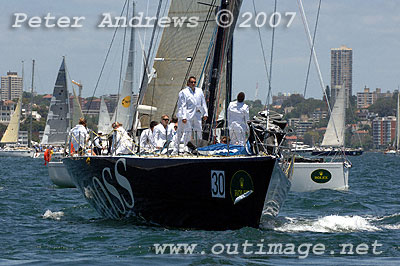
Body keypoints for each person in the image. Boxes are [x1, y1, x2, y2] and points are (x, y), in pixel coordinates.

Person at [176, 76, 208, 151]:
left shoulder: (199, 91)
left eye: (194, 82)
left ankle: (199, 148)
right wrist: (184, 117)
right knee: (186, 132)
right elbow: (182, 105)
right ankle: (182, 149)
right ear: (188, 83)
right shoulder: (183, 92)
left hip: (197, 114)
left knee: (199, 130)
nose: (193, 83)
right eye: (191, 82)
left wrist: (205, 113)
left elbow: (203, 102)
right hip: (186, 114)